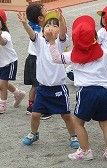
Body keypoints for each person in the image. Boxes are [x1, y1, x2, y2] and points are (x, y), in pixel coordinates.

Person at [48, 14, 107, 162]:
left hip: (86, 92)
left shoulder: (73, 54)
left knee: (78, 122)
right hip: (103, 91)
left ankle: (85, 151)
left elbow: (56, 58)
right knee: (105, 123)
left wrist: (52, 42)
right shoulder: (103, 53)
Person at [17, 9, 79, 149]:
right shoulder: (39, 42)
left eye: (54, 25)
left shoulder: (59, 43)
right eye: (48, 25)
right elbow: (32, 34)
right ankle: (34, 133)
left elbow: (63, 33)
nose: (51, 28)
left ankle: (73, 135)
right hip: (43, 88)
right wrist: (25, 23)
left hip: (58, 88)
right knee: (35, 114)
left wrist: (61, 18)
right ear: (43, 29)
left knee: (66, 115)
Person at [24, 3, 51, 120]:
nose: (47, 10)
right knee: (39, 85)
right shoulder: (40, 31)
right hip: (36, 59)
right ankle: (40, 109)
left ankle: (31, 106)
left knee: (35, 85)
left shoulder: (35, 26)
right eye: (45, 10)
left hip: (31, 58)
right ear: (40, 18)